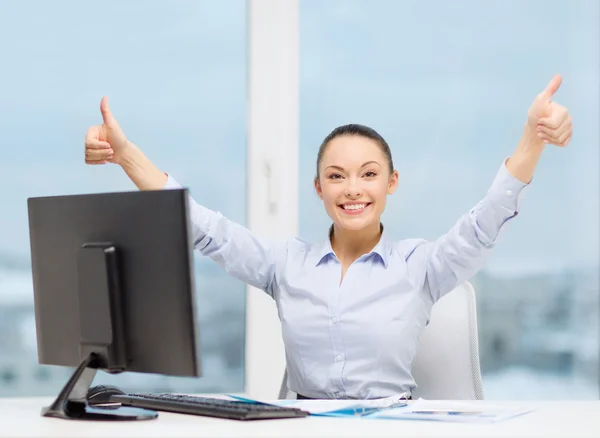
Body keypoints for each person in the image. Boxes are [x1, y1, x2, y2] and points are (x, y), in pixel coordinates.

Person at [84, 75, 572, 400]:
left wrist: (532, 139)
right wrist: (126, 157)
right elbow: (204, 229)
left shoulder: (421, 266)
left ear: (391, 182)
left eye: (368, 174)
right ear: (319, 189)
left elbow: (484, 225)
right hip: (303, 426)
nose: (353, 189)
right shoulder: (286, 265)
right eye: (337, 176)